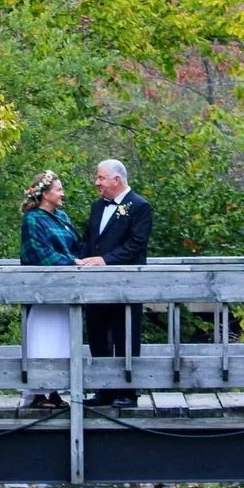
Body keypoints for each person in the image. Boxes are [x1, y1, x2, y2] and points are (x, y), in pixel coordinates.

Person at [76, 159, 152, 408]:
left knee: (125, 335)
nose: (96, 182)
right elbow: (89, 239)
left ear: (117, 180)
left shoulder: (140, 207)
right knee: (97, 334)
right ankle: (103, 390)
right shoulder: (98, 206)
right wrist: (82, 259)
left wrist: (105, 260)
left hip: (126, 284)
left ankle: (128, 391)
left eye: (100, 178)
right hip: (95, 285)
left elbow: (136, 244)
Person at [19, 170, 78, 409]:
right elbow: (38, 252)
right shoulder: (32, 219)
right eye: (58, 189)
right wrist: (72, 262)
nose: (62, 193)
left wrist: (83, 259)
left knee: (61, 339)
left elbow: (76, 244)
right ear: (45, 194)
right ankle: (38, 392)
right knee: (42, 338)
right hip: (42, 291)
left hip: (65, 290)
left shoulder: (62, 216)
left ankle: (54, 389)